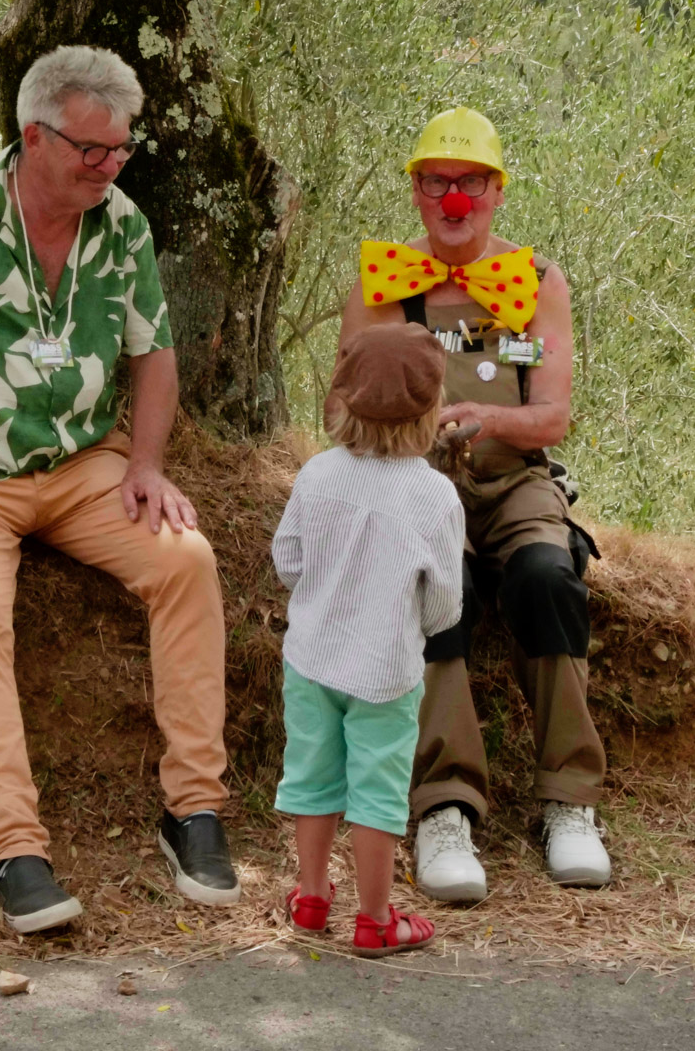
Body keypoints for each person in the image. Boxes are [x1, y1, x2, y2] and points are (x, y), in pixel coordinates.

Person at [0, 45, 240, 934]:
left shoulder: (123, 225)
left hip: (83, 468)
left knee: (188, 563)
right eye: (91, 150)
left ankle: (195, 810)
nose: (109, 167)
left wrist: (146, 464)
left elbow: (154, 352)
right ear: (34, 137)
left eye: (121, 150)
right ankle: (15, 850)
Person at [338, 106, 611, 898]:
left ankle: (570, 799)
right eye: (437, 182)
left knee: (547, 579)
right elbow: (339, 411)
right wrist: (404, 429)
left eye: (470, 183)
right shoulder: (382, 285)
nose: (453, 200)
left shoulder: (539, 281)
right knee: (435, 592)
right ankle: (445, 806)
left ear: (497, 192)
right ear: (416, 192)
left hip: (517, 481)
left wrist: (481, 417)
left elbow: (552, 417)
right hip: (418, 485)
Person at [271, 321, 464, 957]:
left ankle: (311, 898)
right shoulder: (435, 496)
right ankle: (375, 920)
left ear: (343, 398)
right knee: (376, 792)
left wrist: (325, 590)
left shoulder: (317, 474)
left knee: (313, 778)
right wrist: (411, 626)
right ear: (432, 409)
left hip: (311, 660)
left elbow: (288, 562)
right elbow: (444, 605)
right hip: (386, 669)